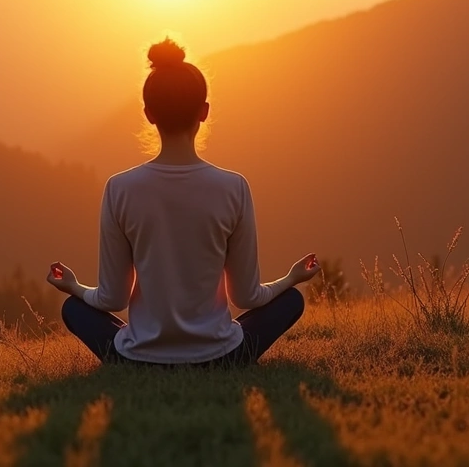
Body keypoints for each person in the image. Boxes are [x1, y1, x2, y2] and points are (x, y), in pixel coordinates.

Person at [45, 38, 321, 367]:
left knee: (73, 309)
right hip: (223, 357)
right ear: (204, 112)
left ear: (148, 114)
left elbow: (112, 299)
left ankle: (138, 354)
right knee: (290, 301)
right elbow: (247, 297)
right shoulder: (234, 187)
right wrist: (291, 278)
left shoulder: (119, 188)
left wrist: (74, 286)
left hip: (139, 360)